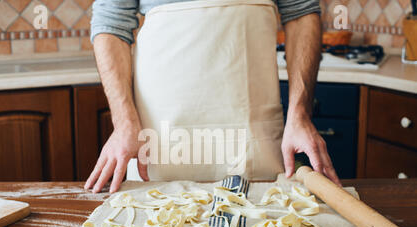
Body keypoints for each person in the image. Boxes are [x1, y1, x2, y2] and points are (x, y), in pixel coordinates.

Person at [84, 0, 341, 194]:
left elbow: (301, 13)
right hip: (160, 139)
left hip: (254, 141)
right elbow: (111, 25)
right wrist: (124, 123)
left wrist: (299, 115)